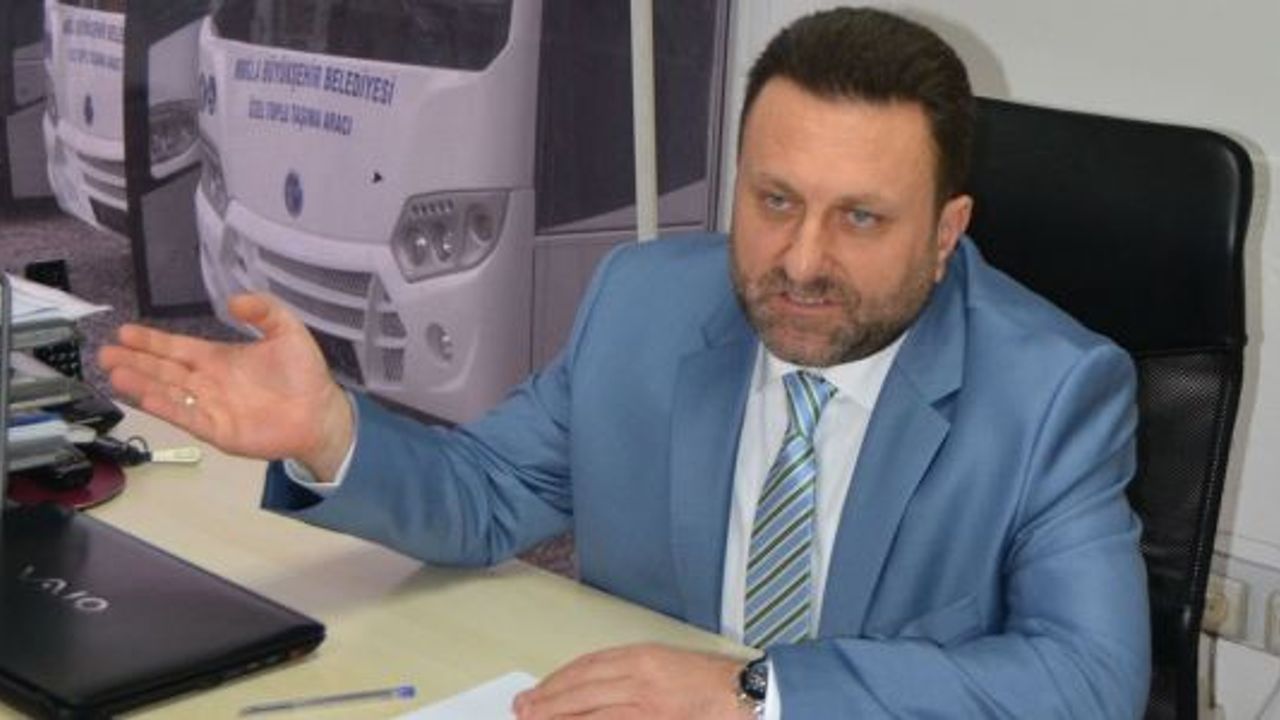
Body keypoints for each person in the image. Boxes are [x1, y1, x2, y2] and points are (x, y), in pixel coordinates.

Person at [99, 7, 1150, 718]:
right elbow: (485, 494)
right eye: (774, 199)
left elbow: (1090, 678)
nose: (799, 261)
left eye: (860, 218)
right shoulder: (645, 305)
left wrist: (754, 695)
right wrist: (332, 434)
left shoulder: (1054, 392)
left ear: (945, 231)